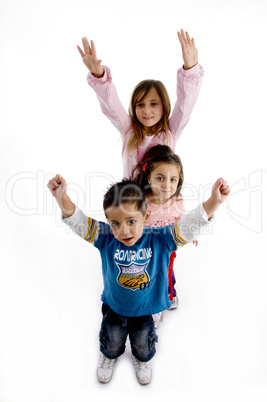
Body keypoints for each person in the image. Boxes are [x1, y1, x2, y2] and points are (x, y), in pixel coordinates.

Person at [47, 173, 230, 385]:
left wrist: (214, 202)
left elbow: (190, 226)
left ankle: (141, 358)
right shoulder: (106, 237)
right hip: (115, 306)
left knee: (143, 342)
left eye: (131, 221)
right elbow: (78, 221)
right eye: (115, 223)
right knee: (112, 338)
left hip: (147, 309)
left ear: (146, 216)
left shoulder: (160, 238)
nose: (123, 230)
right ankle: (109, 355)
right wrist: (61, 197)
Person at [77, 29, 204, 178]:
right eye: (140, 105)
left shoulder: (171, 131)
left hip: (161, 198)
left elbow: (185, 105)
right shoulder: (128, 129)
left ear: (164, 106)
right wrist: (98, 74)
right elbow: (111, 104)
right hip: (130, 198)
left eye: (154, 104)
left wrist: (191, 67)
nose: (147, 111)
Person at [132, 145, 196, 327]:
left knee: (165, 273)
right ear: (148, 177)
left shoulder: (176, 202)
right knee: (145, 274)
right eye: (160, 178)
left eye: (173, 180)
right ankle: (145, 298)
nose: (167, 185)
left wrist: (192, 232)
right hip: (143, 248)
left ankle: (168, 295)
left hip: (167, 248)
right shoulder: (141, 199)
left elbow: (182, 220)